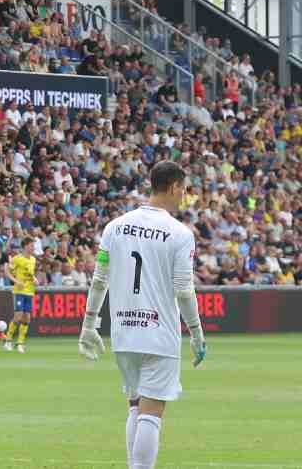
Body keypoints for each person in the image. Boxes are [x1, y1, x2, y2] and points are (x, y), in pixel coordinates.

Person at [78, 161, 207, 469]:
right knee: (152, 411)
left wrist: (89, 325)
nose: (184, 195)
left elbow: (99, 279)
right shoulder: (179, 233)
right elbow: (184, 291)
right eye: (184, 189)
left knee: (136, 406)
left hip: (124, 330)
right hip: (159, 332)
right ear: (175, 187)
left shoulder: (115, 226)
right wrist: (196, 333)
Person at [3, 241, 39, 353]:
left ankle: (20, 343)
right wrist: (15, 281)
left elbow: (29, 273)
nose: (33, 247)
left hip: (30, 291)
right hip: (19, 291)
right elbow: (7, 271)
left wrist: (34, 279)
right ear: (25, 246)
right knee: (18, 316)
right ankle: (8, 340)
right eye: (31, 245)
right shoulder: (17, 258)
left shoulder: (33, 259)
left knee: (27, 318)